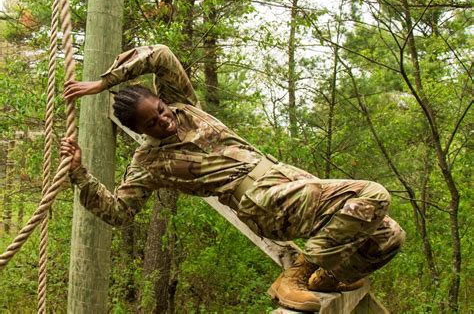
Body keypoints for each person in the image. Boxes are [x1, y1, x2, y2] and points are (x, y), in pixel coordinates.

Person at [61, 44, 405, 312]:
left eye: (161, 112)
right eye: (151, 124)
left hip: (284, 178)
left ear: (164, 103)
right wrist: (79, 173)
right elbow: (120, 212)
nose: (164, 122)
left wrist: (104, 82)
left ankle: (326, 276)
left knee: (388, 236)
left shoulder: (185, 106)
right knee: (373, 194)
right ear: (138, 130)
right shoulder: (149, 161)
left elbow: (160, 54)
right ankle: (296, 273)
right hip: (261, 201)